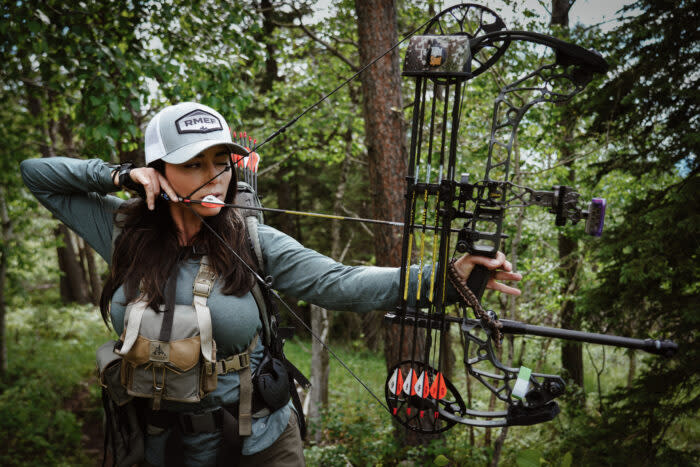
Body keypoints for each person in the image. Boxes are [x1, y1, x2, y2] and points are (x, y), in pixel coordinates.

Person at [20, 102, 521, 466]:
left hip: (255, 440)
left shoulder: (253, 240)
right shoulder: (122, 228)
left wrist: (446, 280)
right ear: (158, 171)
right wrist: (116, 176)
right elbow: (36, 174)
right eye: (194, 163)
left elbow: (341, 282)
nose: (213, 176)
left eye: (221, 161)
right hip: (159, 441)